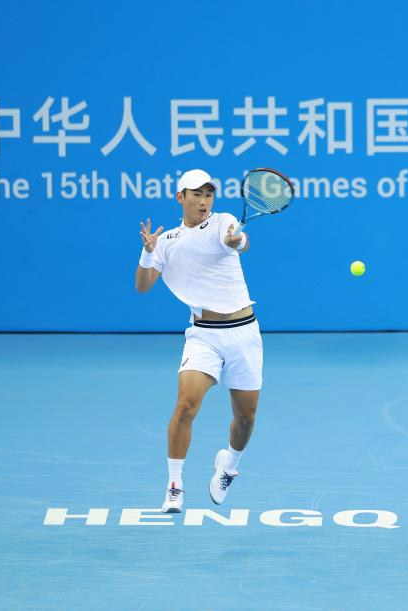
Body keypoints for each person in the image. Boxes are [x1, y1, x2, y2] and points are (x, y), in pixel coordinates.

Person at [136, 169, 262, 513]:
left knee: (246, 418)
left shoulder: (223, 222)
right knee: (186, 406)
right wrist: (148, 252)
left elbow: (239, 240)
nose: (204, 201)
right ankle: (174, 485)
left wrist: (237, 241)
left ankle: (229, 466)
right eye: (197, 194)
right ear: (181, 198)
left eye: (209, 194)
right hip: (203, 336)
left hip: (244, 335)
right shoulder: (165, 241)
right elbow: (143, 286)